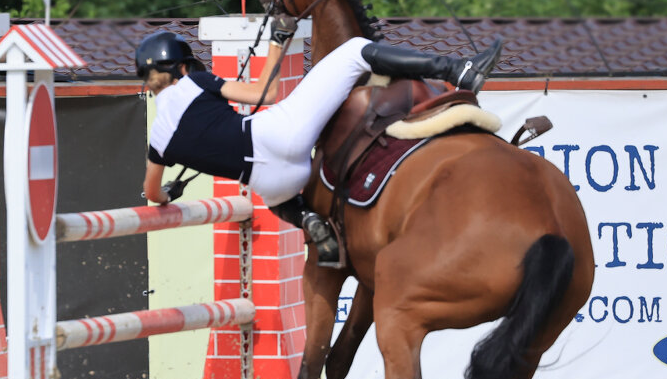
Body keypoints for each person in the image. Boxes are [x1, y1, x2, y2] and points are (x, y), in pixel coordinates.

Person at [137, 22, 501, 266]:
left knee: (275, 198)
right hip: (280, 134)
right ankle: (459, 72)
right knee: (355, 50)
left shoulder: (158, 139)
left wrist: (170, 192)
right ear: (182, 68)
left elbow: (151, 192)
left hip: (277, 183)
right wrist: (277, 43)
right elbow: (264, 92)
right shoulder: (195, 81)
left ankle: (308, 218)